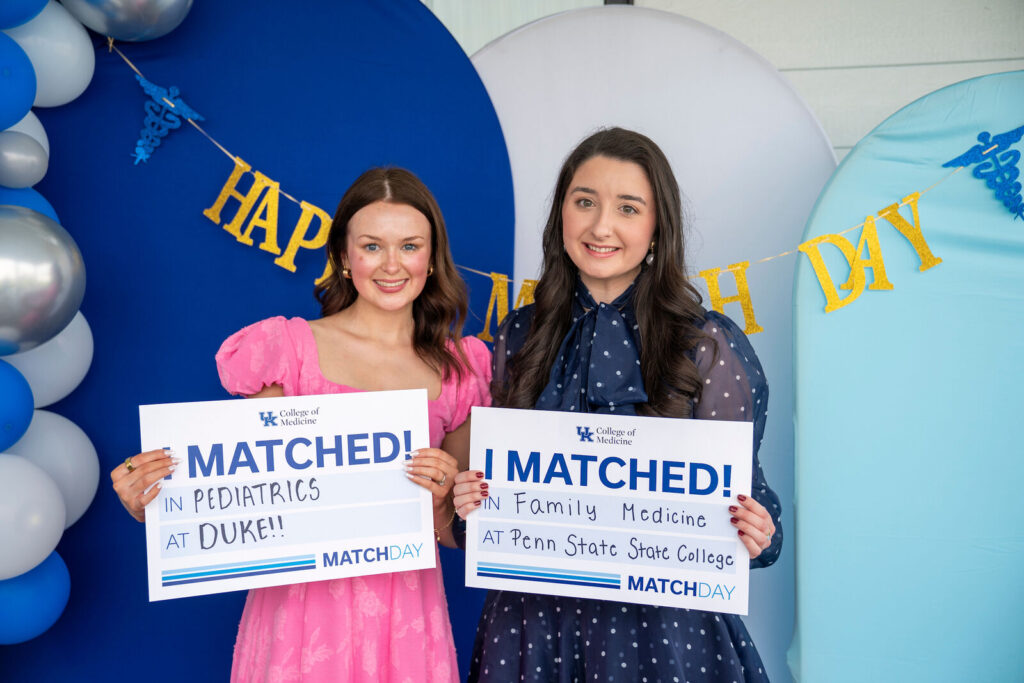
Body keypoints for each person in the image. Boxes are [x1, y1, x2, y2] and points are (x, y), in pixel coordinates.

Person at [111, 167, 492, 683]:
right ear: (343, 256)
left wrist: (447, 496)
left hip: (405, 619)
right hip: (298, 618)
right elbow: (235, 492)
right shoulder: (286, 350)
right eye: (372, 246)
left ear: (431, 256)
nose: (392, 264)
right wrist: (153, 504)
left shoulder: (459, 370)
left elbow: (453, 534)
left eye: (410, 246)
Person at [452, 127, 782, 682]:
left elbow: (756, 509)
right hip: (532, 628)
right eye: (585, 202)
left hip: (665, 632)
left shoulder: (706, 345)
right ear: (562, 216)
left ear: (657, 229)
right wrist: (471, 501)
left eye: (627, 208)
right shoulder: (519, 335)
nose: (600, 226)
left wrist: (760, 531)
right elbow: (491, 508)